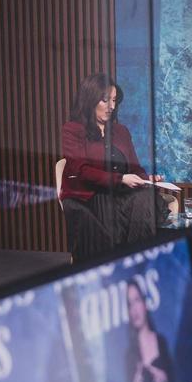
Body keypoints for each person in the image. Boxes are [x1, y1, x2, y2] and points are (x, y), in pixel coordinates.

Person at [60, 73, 166, 264]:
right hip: (88, 197)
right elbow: (80, 170)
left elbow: (135, 167)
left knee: (146, 197)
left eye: (115, 101)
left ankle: (134, 260)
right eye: (105, 100)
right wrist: (121, 179)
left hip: (118, 195)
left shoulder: (120, 131)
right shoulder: (73, 130)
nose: (112, 106)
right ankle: (127, 261)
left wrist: (146, 179)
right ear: (90, 101)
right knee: (126, 205)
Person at [124, 280, 176, 382]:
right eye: (129, 304)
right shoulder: (129, 356)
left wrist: (164, 379)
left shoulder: (161, 341)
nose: (134, 309)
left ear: (145, 304)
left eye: (137, 300)